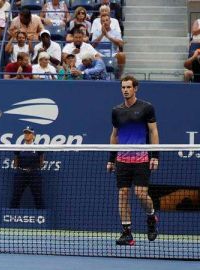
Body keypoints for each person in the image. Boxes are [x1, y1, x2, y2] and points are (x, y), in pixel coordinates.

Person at [107, 75, 159, 246]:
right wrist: (111, 159)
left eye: (129, 87)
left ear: (135, 88)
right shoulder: (116, 110)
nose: (125, 90)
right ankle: (127, 233)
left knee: (140, 194)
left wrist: (155, 156)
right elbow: (114, 135)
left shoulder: (147, 107)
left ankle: (151, 216)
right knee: (123, 194)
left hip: (142, 158)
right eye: (123, 87)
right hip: (122, 160)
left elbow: (153, 132)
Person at [10, 126, 44, 209]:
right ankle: (11, 216)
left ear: (33, 136)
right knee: (16, 196)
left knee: (38, 196)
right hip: (21, 174)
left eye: (29, 133)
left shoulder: (38, 148)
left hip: (34, 174)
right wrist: (22, 169)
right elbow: (15, 162)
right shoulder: (19, 148)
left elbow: (41, 162)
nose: (26, 135)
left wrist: (33, 169)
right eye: (25, 133)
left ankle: (42, 217)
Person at [91, 14, 125, 78]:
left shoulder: (116, 32)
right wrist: (102, 34)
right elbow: (93, 46)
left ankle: (119, 75)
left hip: (113, 53)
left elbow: (120, 44)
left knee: (122, 55)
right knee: (93, 55)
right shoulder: (96, 32)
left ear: (110, 22)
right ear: (101, 23)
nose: (105, 22)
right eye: (103, 21)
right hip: (99, 54)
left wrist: (108, 36)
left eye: (107, 20)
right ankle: (96, 75)